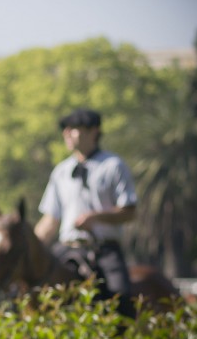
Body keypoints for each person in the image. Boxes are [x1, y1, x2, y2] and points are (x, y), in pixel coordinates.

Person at [34, 108, 137, 317]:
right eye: (65, 130)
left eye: (73, 129)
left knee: (122, 298)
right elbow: (50, 221)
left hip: (104, 250)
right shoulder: (61, 171)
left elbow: (129, 212)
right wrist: (30, 246)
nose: (67, 134)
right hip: (66, 248)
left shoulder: (113, 165)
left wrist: (96, 218)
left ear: (94, 131)